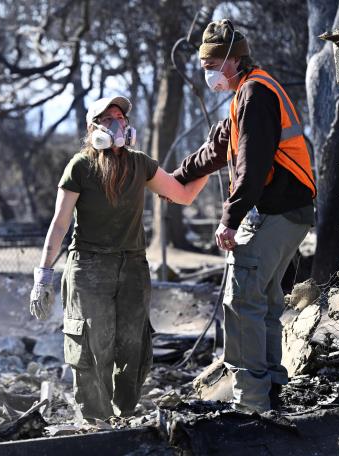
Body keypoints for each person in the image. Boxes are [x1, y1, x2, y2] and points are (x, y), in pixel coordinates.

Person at [29, 95, 207, 421]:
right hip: (89, 266)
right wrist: (44, 273)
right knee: (91, 346)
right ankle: (94, 422)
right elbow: (60, 223)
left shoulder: (140, 163)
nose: (117, 123)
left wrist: (213, 161)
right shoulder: (80, 166)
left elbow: (182, 194)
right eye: (108, 118)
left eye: (121, 117)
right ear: (93, 128)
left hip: (132, 267)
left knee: (133, 347)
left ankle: (123, 417)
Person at [172, 19, 316, 413]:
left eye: (213, 64)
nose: (208, 73)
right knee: (265, 300)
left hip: (277, 209)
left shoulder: (255, 93)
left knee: (241, 299)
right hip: (288, 210)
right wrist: (172, 179)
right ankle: (270, 393)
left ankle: (250, 404)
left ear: (235, 60)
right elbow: (217, 150)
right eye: (204, 66)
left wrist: (229, 220)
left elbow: (251, 169)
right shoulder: (244, 96)